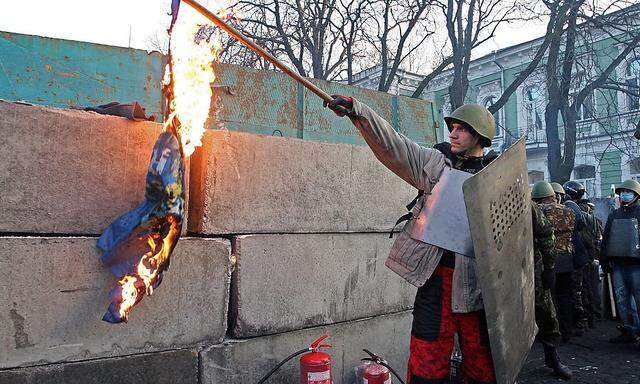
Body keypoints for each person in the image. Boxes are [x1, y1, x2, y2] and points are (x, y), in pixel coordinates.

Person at [326, 95, 497, 383]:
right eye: (451, 127)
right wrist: (358, 111)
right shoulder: (434, 164)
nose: (452, 133)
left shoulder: (497, 176)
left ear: (479, 135)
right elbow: (393, 144)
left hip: (479, 287)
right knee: (426, 366)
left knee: (483, 369)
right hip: (435, 281)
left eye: (461, 128)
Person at [530, 181, 573, 380]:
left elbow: (546, 234)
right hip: (504, 270)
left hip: (533, 268)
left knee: (546, 312)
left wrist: (549, 268)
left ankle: (552, 356)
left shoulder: (528, 206)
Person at [601, 179, 640, 344]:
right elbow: (607, 239)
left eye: (628, 192)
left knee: (638, 300)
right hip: (618, 265)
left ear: (636, 195)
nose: (624, 194)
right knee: (621, 299)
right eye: (622, 192)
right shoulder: (614, 215)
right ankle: (627, 331)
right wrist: (605, 260)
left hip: (637, 265)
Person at [562, 181, 589, 336]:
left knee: (575, 291)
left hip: (575, 256)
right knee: (578, 290)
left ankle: (580, 323)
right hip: (579, 256)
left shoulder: (570, 207)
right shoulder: (577, 208)